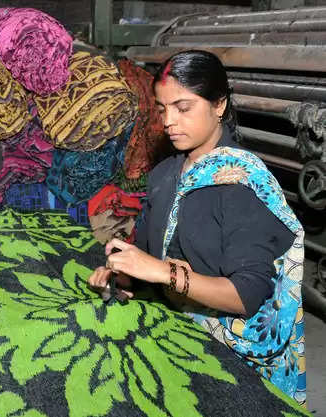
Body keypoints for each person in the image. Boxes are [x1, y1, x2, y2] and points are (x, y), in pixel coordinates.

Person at [88, 50, 306, 404]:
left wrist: (161, 272)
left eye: (183, 107)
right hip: (181, 331)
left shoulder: (238, 183)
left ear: (219, 105)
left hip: (236, 357)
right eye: (162, 109)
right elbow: (150, 256)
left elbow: (247, 296)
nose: (169, 121)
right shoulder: (164, 176)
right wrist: (121, 277)